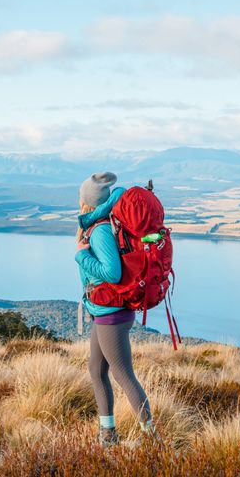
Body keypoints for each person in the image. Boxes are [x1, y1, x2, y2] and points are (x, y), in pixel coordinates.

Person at [75, 172, 155, 446]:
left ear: (87, 202)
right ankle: (108, 435)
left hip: (112, 313)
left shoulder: (99, 231)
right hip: (105, 311)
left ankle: (154, 442)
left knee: (123, 374)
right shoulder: (100, 225)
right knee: (96, 370)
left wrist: (82, 256)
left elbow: (111, 271)